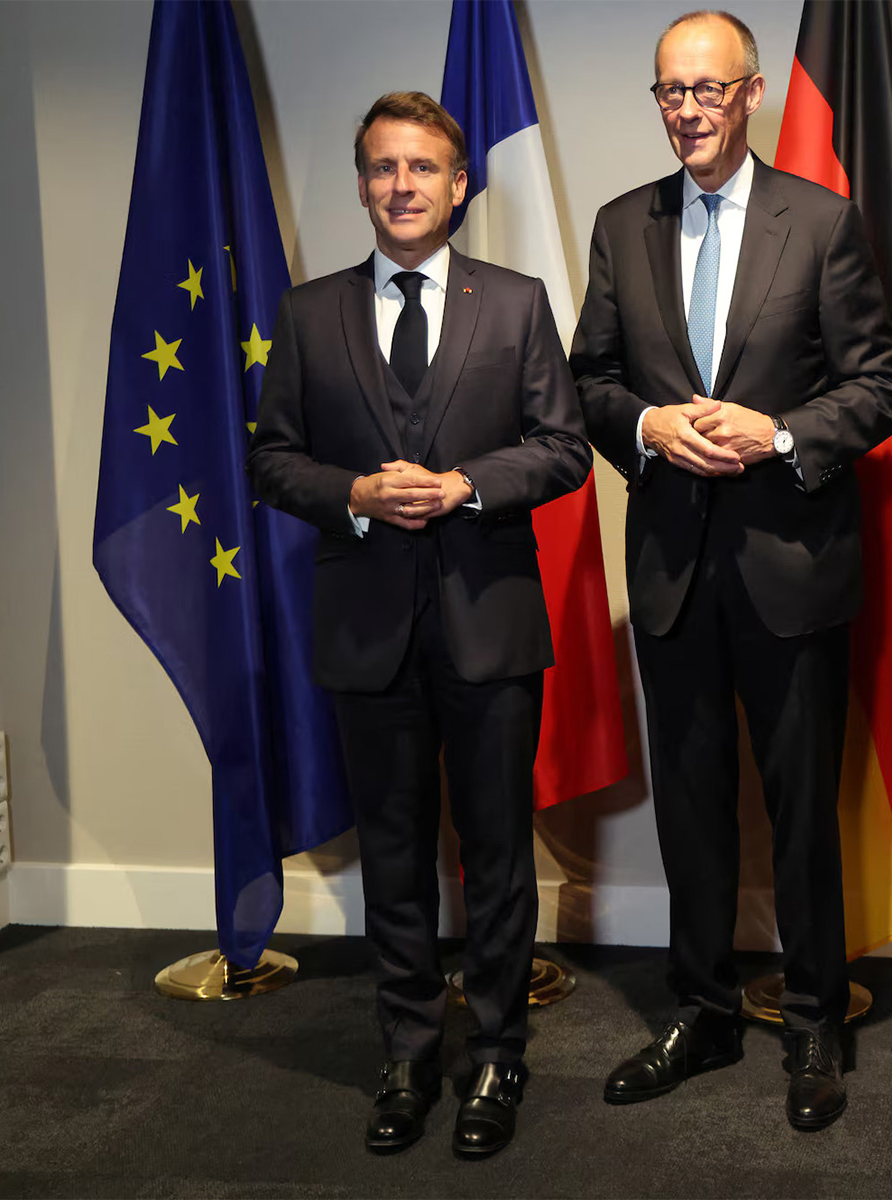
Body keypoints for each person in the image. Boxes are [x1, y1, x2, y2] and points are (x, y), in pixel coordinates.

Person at [569, 9, 892, 1131]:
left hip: (790, 564)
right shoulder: (622, 226)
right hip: (673, 567)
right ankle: (703, 1009)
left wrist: (776, 436)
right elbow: (588, 384)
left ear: (752, 95)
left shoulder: (821, 222)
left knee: (804, 812)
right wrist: (651, 423)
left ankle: (813, 1019)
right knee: (695, 811)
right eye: (670, 93)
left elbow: (880, 386)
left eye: (707, 91)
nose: (687, 112)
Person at [247, 91, 590, 1159]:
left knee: (493, 855)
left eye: (423, 168)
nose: (403, 186)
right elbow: (270, 460)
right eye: (383, 168)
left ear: (457, 185)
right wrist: (355, 491)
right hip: (365, 630)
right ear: (363, 185)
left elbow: (563, 447)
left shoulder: (520, 303)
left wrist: (462, 489)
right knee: (392, 854)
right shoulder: (308, 314)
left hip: (489, 623)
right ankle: (405, 1053)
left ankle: (495, 1056)